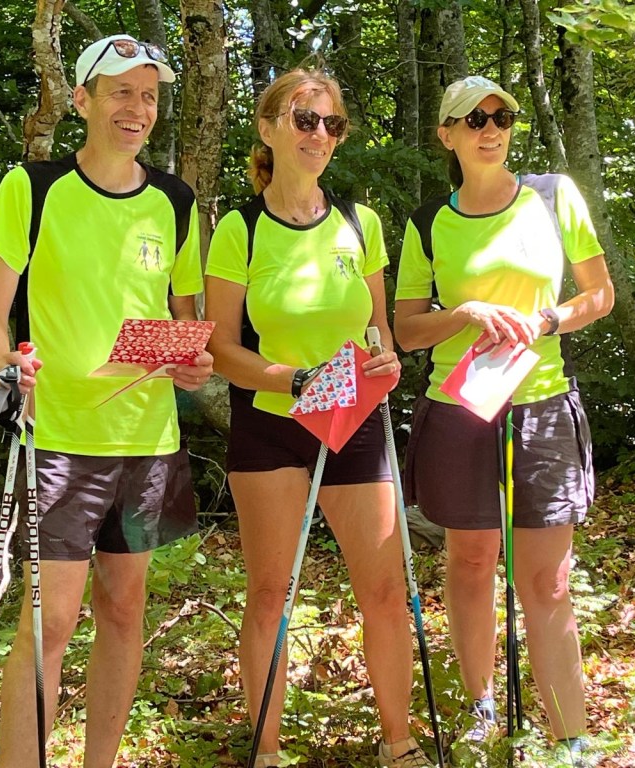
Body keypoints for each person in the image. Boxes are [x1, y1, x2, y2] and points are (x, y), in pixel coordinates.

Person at [0, 34, 213, 768]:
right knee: (51, 622)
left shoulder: (174, 201)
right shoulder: (33, 187)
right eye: (121, 92)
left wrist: (192, 363)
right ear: (82, 99)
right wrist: (6, 366)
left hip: (148, 439)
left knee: (124, 609)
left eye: (150, 96)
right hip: (58, 437)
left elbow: (183, 320)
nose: (138, 108)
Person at [203, 68, 432, 768]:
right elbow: (220, 348)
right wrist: (294, 379)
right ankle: (267, 752)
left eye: (332, 124)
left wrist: (385, 360)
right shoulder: (239, 229)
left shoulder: (361, 223)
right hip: (272, 422)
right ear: (268, 128)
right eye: (305, 120)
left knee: (385, 589)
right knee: (271, 592)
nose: (320, 135)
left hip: (354, 421)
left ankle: (400, 745)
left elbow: (379, 331)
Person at [394, 76, 615, 765]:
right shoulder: (428, 222)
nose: (490, 128)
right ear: (447, 135)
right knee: (469, 562)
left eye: (502, 116)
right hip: (459, 408)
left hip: (541, 406)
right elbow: (406, 330)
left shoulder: (553, 197)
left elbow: (598, 294)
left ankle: (569, 739)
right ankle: (481, 710)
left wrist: (546, 320)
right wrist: (463, 315)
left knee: (546, 581)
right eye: (474, 119)